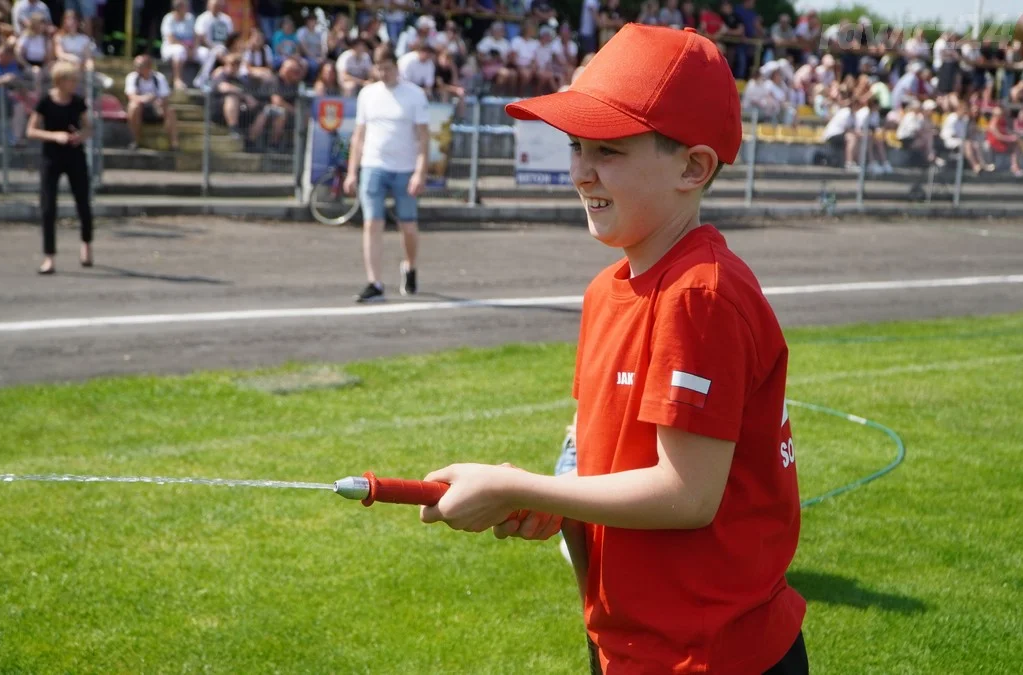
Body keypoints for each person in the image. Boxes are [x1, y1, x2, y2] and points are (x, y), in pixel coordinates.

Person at [418, 24, 807, 675]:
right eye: (575, 147)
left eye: (609, 150)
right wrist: (552, 493)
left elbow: (687, 494)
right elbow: (595, 451)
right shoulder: (607, 290)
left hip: (710, 655)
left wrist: (520, 484)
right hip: (626, 642)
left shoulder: (700, 292)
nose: (580, 172)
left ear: (694, 166)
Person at [343, 46, 429, 303]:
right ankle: (375, 282)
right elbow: (359, 137)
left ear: (396, 67)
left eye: (387, 68)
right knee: (372, 223)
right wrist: (352, 172)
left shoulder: (414, 95)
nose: (383, 73)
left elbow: (423, 138)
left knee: (408, 226)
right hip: (373, 165)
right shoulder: (367, 94)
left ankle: (410, 266)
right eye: (379, 68)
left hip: (404, 169)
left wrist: (419, 172)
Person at [27, 61, 94, 275]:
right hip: (52, 157)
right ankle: (49, 257)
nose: (75, 83)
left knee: (83, 202)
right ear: (60, 81)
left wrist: (79, 137)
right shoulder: (46, 101)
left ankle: (86, 244)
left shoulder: (78, 102)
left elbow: (88, 128)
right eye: (71, 79)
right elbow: (32, 130)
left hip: (75, 155)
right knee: (48, 208)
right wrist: (55, 136)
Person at [124, 55, 179, 151]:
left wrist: (158, 103)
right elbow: (131, 96)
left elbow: (165, 98)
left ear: (148, 67)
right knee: (133, 107)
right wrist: (146, 98)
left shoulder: (159, 78)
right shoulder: (132, 77)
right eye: (136, 66)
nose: (137, 69)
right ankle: (135, 141)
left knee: (170, 111)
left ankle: (174, 144)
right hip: (140, 110)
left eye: (140, 66)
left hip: (156, 109)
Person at [160, 0, 197, 90]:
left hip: (189, 48)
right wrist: (186, 48)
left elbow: (196, 35)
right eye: (184, 6)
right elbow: (171, 39)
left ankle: (202, 80)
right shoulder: (168, 18)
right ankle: (177, 80)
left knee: (205, 53)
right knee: (179, 50)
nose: (187, 8)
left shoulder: (190, 18)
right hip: (170, 48)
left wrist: (194, 47)